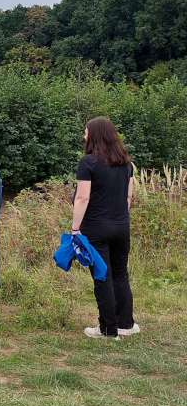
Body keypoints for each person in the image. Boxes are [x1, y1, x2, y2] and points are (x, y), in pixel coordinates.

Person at [72, 117, 137, 339]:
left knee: (102, 276)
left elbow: (82, 198)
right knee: (120, 274)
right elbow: (129, 198)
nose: (84, 136)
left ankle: (108, 330)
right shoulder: (127, 163)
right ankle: (126, 324)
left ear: (95, 135)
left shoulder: (88, 163)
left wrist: (75, 228)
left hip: (96, 228)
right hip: (122, 226)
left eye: (86, 131)